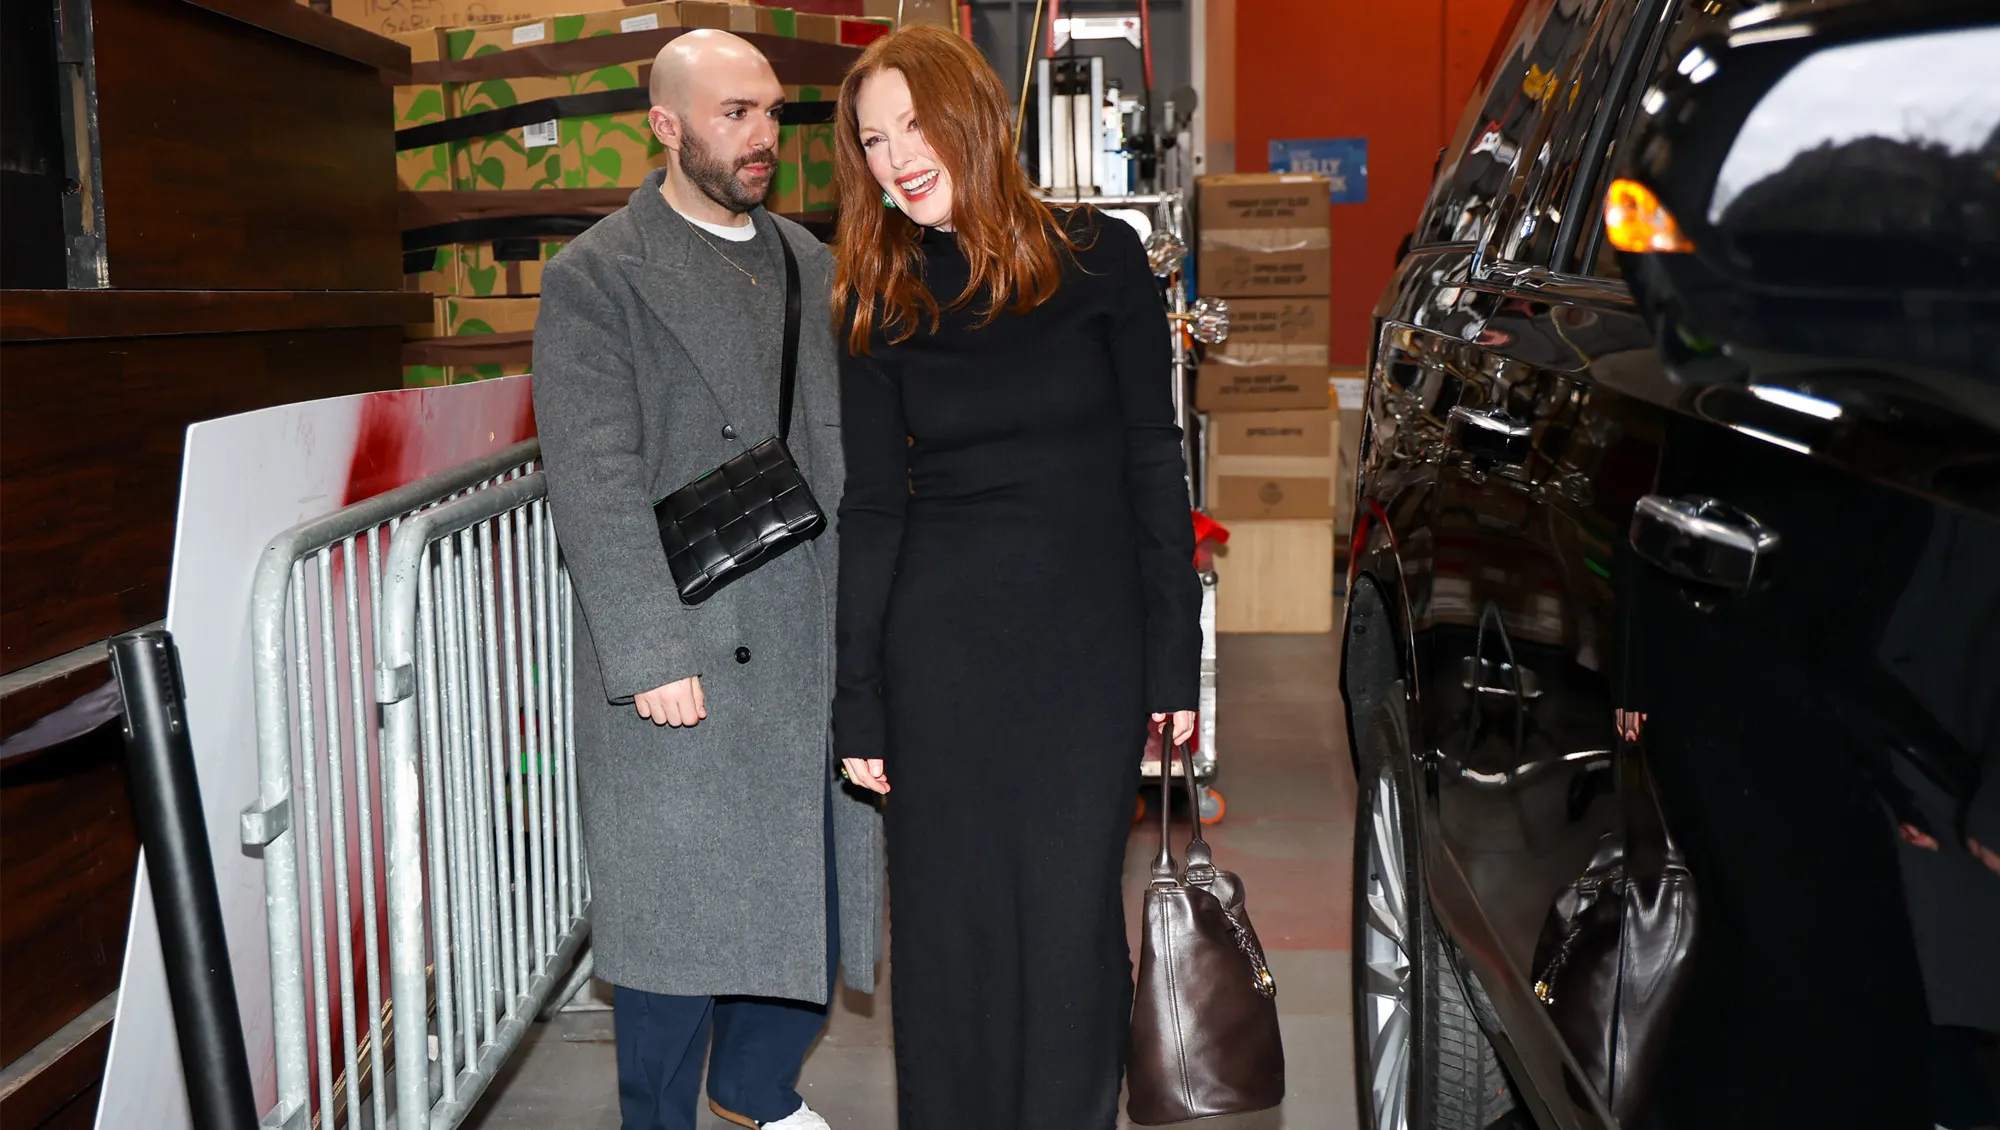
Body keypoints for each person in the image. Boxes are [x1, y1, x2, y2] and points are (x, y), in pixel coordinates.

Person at [828, 25, 1201, 1130]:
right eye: (873, 140)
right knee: (946, 936)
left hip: (1084, 658)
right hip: (937, 659)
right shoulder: (876, 295)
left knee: (1068, 923)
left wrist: (1173, 655)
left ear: (975, 118)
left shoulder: (1101, 261)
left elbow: (1153, 458)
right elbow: (872, 507)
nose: (896, 158)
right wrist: (859, 695)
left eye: (913, 125)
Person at [530, 30, 882, 1130]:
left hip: (808, 622)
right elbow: (592, 477)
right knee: (677, 924)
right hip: (687, 633)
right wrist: (648, 650)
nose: (764, 135)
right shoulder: (598, 276)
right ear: (666, 125)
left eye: (772, 111)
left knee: (808, 886)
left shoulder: (808, 261)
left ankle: (756, 1088)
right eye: (735, 114)